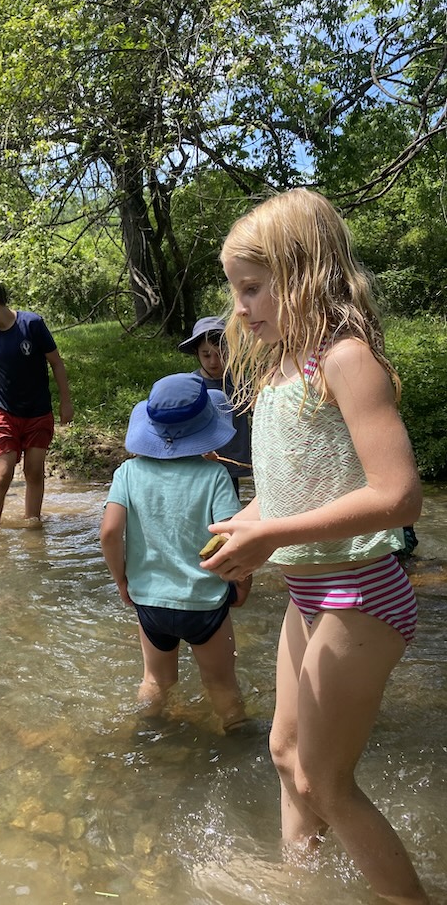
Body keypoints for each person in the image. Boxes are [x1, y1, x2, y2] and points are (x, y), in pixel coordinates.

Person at [200, 189, 429, 904]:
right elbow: (289, 490)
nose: (240, 308)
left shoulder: (346, 361)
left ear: (306, 275)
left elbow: (399, 496)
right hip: (310, 595)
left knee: (325, 780)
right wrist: (247, 530)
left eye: (253, 287)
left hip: (362, 592)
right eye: (236, 290)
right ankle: (303, 884)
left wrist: (272, 534)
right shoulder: (279, 372)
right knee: (286, 753)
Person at [99, 372, 252, 733]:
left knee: (155, 680)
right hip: (204, 602)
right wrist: (242, 582)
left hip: (150, 602)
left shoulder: (127, 473)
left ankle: (143, 737)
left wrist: (121, 580)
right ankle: (239, 740)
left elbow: (109, 533)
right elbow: (232, 537)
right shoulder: (214, 475)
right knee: (221, 684)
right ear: (207, 427)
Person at [0, 274, 74, 527]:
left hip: (38, 411)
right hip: (2, 410)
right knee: (2, 473)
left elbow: (56, 363)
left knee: (34, 471)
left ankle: (33, 526)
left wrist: (66, 402)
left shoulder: (32, 324)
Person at [178, 315, 252, 498]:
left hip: (232, 463)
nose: (213, 361)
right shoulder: (191, 386)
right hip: (199, 466)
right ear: (196, 353)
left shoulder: (241, 383)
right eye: (206, 355)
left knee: (230, 508)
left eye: (220, 354)